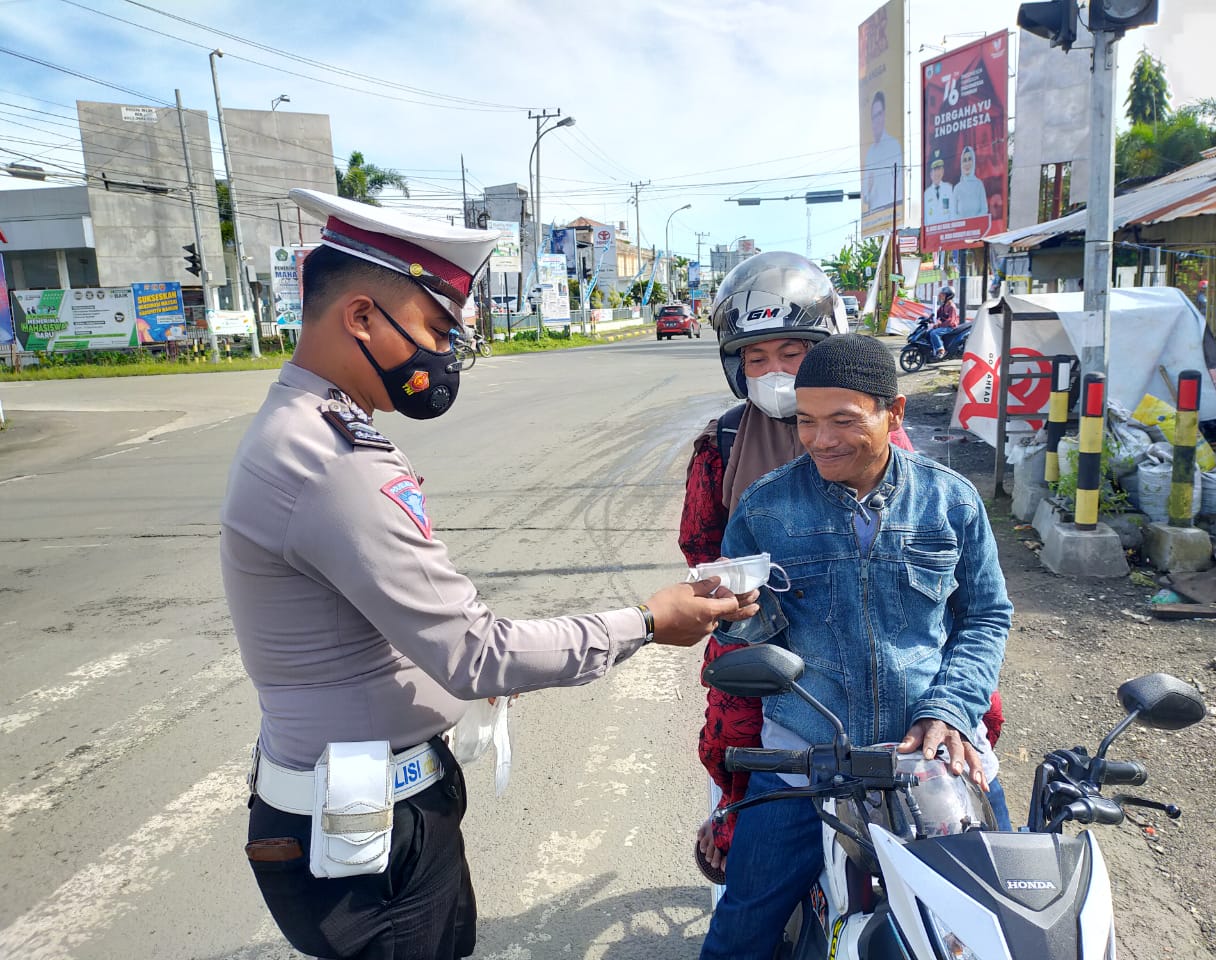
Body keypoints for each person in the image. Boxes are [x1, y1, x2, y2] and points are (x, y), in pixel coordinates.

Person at [221, 188, 757, 960]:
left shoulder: (310, 427)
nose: (445, 355)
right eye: (436, 328)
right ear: (361, 316)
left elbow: (385, 624)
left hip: (361, 807)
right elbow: (476, 653)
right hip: (365, 841)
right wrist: (647, 622)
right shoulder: (328, 460)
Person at [679, 254, 1006, 883]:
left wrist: (954, 705)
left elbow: (977, 611)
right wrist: (732, 605)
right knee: (746, 884)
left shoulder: (934, 488)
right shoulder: (724, 453)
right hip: (793, 703)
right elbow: (704, 556)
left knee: (992, 892)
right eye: (756, 357)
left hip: (922, 723)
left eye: (792, 353)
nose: (775, 372)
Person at [862, 90, 904, 214]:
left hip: (891, 216)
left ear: (884, 115)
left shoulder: (893, 145)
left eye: (879, 114)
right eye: (874, 116)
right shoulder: (870, 154)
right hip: (875, 218)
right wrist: (868, 190)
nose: (877, 120)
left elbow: (899, 188)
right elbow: (865, 197)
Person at [952, 145, 989, 220]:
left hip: (978, 228)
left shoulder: (979, 185)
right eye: (964, 160)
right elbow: (953, 213)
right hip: (961, 230)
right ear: (961, 164)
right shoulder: (957, 188)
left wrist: (973, 223)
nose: (967, 163)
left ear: (973, 161)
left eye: (969, 159)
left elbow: (984, 209)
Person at [922, 149, 954, 227]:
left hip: (948, 231)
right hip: (932, 234)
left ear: (943, 171)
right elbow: (925, 218)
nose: (937, 173)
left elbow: (953, 212)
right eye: (935, 170)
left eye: (939, 169)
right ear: (930, 173)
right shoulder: (926, 194)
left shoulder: (949, 188)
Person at [928, 285, 960, 358]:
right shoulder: (943, 305)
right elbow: (937, 313)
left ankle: (941, 350)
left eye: (943, 295)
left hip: (950, 327)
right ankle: (932, 350)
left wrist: (939, 325)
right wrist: (928, 318)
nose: (940, 296)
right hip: (944, 325)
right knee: (929, 332)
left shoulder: (952, 306)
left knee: (934, 333)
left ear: (948, 296)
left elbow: (950, 321)